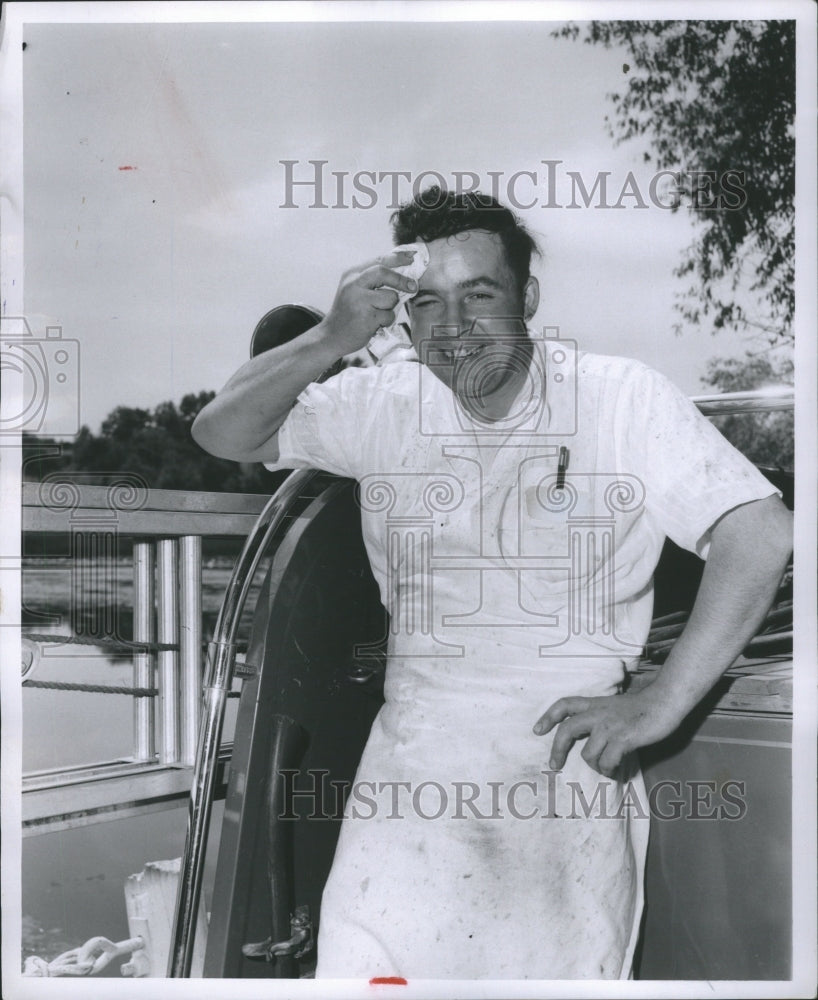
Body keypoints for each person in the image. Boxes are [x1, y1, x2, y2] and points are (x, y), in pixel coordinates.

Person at [192, 188, 792, 980]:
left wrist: (662, 701)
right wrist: (336, 334)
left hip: (556, 769)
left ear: (528, 298)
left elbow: (759, 529)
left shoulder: (620, 395)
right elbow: (222, 431)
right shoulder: (384, 401)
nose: (454, 326)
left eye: (480, 293)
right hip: (408, 768)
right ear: (402, 317)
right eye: (428, 303)